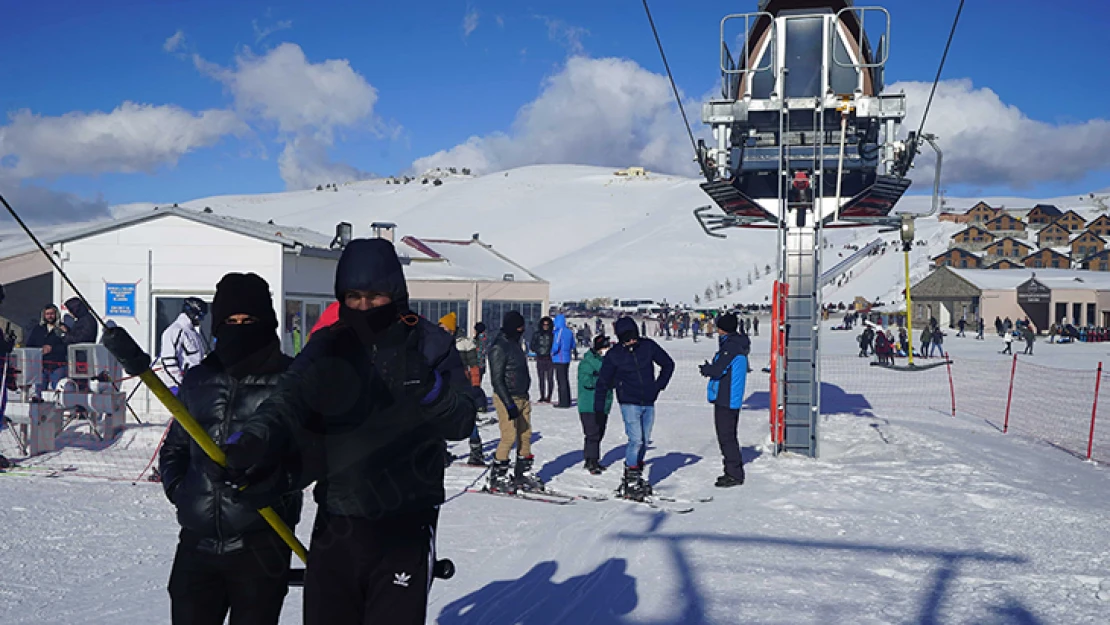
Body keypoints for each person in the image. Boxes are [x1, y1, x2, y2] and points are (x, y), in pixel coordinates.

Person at [225, 238, 478, 625]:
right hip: (339, 521)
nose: (363, 306)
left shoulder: (430, 344)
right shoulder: (329, 344)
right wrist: (255, 437)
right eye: (353, 296)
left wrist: (428, 388)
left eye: (375, 296)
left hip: (405, 525)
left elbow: (461, 422)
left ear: (395, 293)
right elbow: (289, 396)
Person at [159, 273, 305, 625]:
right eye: (230, 321)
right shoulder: (199, 379)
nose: (239, 329)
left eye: (249, 321)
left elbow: (307, 458)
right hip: (197, 546)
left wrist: (272, 485)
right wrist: (183, 493)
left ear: (266, 323)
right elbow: (174, 449)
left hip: (261, 544)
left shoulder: (291, 379)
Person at [594, 317, 675, 502]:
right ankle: (630, 479)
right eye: (627, 338)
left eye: (633, 337)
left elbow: (668, 364)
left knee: (645, 441)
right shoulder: (614, 355)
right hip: (628, 402)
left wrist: (658, 386)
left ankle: (635, 474)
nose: (631, 341)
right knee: (635, 440)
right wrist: (599, 411)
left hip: (648, 400)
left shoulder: (647, 346)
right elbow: (603, 383)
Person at [487, 311, 539, 492]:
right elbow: (497, 379)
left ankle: (522, 472)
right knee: (509, 436)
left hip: (522, 396)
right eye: (519, 328)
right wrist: (508, 404)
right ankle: (497, 476)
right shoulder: (499, 347)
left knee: (525, 434)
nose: (522, 331)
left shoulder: (515, 343)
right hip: (506, 398)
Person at [698, 313, 749, 488]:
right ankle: (731, 470)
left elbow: (719, 370)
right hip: (727, 397)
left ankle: (734, 473)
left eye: (719, 327)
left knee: (727, 437)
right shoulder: (734, 345)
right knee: (727, 436)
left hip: (727, 398)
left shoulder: (731, 347)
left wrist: (707, 369)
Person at [439, 313, 485, 466]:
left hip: (462, 385)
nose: (441, 329)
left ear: (451, 328)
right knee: (441, 418)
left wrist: (475, 385)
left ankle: (476, 451)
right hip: (444, 385)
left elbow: (474, 365)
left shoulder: (464, 343)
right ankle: (442, 452)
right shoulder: (440, 342)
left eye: (444, 327)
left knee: (467, 417)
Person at [577, 335, 614, 475]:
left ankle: (592, 459)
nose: (607, 350)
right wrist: (601, 379)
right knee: (592, 433)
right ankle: (591, 460)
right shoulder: (587, 362)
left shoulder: (607, 361)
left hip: (604, 403)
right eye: (605, 347)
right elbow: (586, 380)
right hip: (589, 404)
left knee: (599, 432)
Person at [159, 298, 208, 392]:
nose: (201, 320)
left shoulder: (193, 333)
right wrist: (181, 383)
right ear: (193, 313)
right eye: (200, 316)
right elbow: (168, 360)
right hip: (179, 387)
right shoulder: (175, 331)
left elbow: (196, 359)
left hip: (195, 384)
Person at [25, 304, 67, 392]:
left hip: (57, 365)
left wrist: (52, 349)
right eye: (47, 314)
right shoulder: (38, 329)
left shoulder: (63, 328)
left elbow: (67, 346)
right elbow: (30, 344)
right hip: (41, 366)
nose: (50, 316)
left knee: (59, 392)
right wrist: (40, 350)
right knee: (38, 392)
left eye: (52, 314)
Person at [550, 314, 575, 408]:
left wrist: (551, 353)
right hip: (567, 358)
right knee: (565, 379)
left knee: (561, 381)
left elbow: (556, 345)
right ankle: (567, 400)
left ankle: (563, 402)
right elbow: (573, 345)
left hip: (559, 358)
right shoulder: (569, 332)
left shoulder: (558, 332)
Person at [531, 317, 554, 403]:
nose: (545, 326)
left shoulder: (553, 335)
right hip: (540, 358)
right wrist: (538, 350)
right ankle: (542, 396)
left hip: (550, 359)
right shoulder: (536, 334)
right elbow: (532, 345)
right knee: (541, 379)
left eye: (547, 325)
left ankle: (549, 396)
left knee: (550, 378)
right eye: (544, 324)